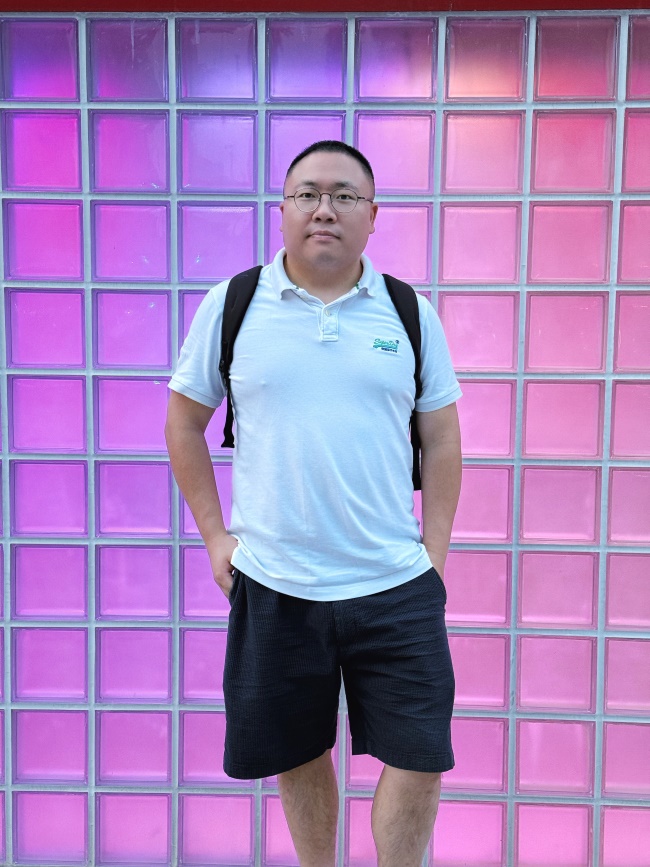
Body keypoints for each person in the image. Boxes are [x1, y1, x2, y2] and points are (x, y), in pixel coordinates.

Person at [165, 140, 462, 867]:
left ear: (372, 214)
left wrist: (435, 555)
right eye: (307, 194)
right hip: (277, 579)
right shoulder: (234, 305)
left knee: (421, 752)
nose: (324, 209)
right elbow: (183, 422)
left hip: (394, 579)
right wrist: (215, 537)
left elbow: (443, 437)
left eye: (344, 195)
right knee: (298, 751)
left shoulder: (408, 311)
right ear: (283, 210)